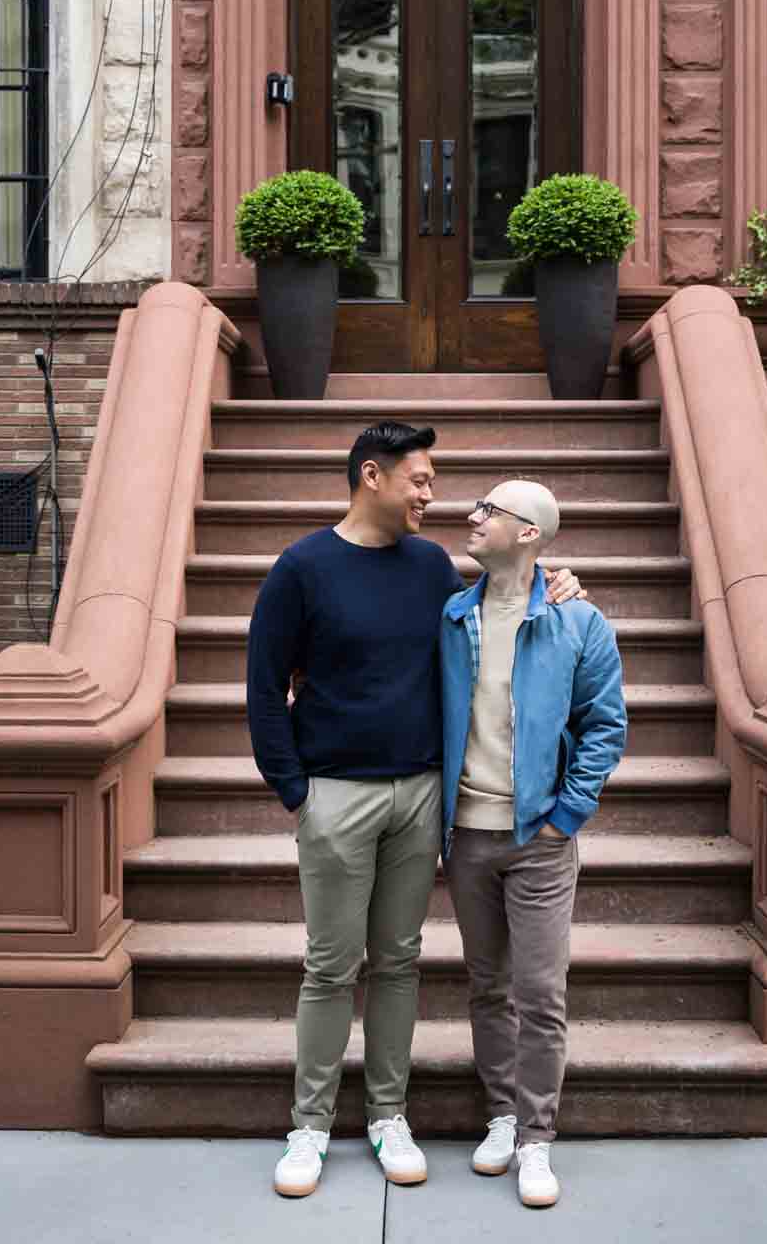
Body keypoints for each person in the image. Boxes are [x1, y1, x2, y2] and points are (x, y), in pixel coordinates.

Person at [246, 423, 583, 1200]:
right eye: (422, 480)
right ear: (374, 475)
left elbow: (506, 595)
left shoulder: (431, 566)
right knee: (331, 965)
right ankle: (310, 1126)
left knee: (398, 961)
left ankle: (388, 1115)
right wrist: (295, 791)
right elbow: (264, 689)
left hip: (423, 793)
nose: (433, 496)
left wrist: (562, 582)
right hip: (333, 792)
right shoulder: (301, 569)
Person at [440, 480, 626, 1210]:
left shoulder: (579, 624)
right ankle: (499, 1116)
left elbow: (604, 727)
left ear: (528, 534)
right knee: (487, 987)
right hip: (467, 838)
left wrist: (565, 816)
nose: (471, 516)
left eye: (488, 510)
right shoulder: (451, 616)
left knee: (539, 993)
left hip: (538, 842)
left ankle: (536, 1138)